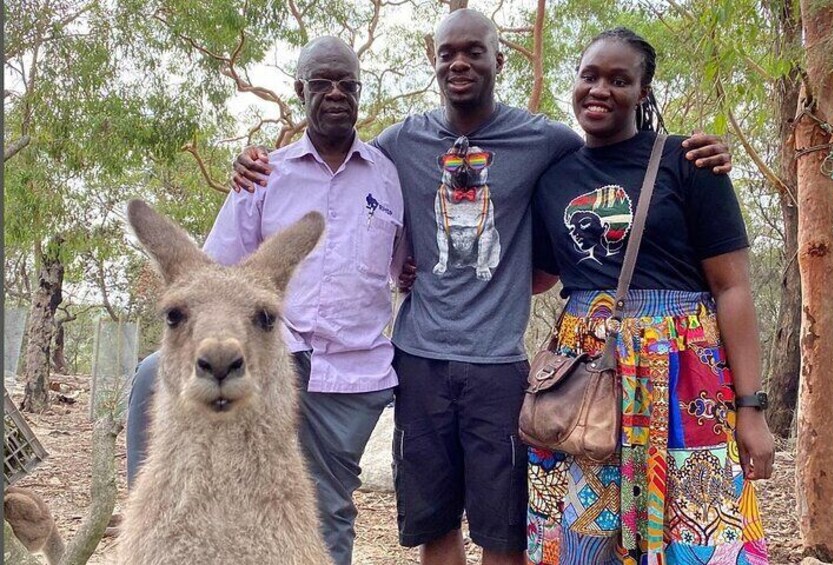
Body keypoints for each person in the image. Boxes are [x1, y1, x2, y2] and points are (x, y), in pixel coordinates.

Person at [231, 11, 732, 565]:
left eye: (475, 51)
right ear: (434, 61)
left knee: (504, 531)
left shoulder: (545, 140)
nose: (461, 63)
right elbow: (338, 160)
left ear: (501, 58)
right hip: (418, 362)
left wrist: (692, 153)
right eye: (448, 53)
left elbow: (614, 155)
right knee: (435, 524)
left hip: (499, 366)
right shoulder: (401, 142)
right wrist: (256, 163)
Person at [125, 36, 409, 565]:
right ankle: (154, 526)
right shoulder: (262, 175)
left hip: (352, 368)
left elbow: (401, 264)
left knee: (324, 509)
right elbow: (210, 269)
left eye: (347, 84)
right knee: (152, 383)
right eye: (321, 83)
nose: (335, 93)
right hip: (276, 349)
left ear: (360, 93)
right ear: (301, 91)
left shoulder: (386, 174)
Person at [528, 27, 774, 564]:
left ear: (643, 92)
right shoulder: (552, 177)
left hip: (685, 372)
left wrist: (750, 408)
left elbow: (731, 287)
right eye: (589, 76)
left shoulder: (689, 162)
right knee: (583, 534)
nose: (600, 89)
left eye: (620, 80)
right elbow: (541, 275)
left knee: (697, 530)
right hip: (587, 375)